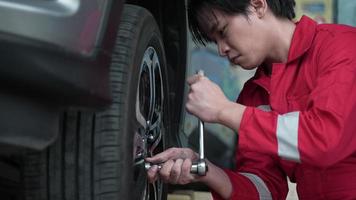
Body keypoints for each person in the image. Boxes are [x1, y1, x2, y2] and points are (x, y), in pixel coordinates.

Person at [146, 0, 356, 199]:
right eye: (215, 41)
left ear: (258, 5)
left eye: (223, 31)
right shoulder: (253, 96)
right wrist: (205, 170)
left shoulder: (341, 47)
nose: (221, 50)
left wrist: (224, 111)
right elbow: (265, 192)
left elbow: (325, 140)